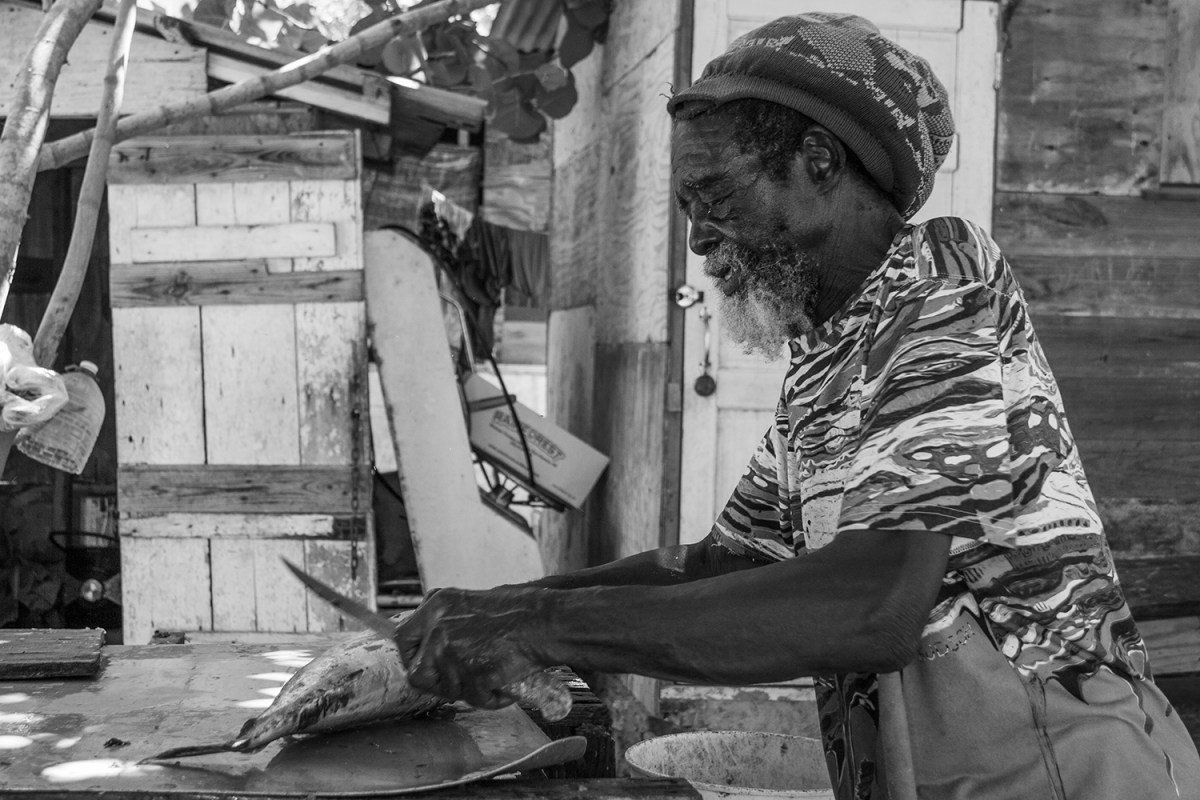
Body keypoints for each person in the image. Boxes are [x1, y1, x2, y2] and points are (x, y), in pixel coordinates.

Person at [396, 13, 1200, 799]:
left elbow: (875, 603)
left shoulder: (943, 280)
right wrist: (509, 606)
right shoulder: (826, 358)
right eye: (687, 208)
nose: (698, 239)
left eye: (715, 195)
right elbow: (729, 563)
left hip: (1064, 768)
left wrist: (541, 627)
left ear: (819, 160)